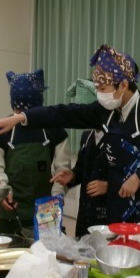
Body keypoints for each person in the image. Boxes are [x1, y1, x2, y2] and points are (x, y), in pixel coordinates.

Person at [0, 44, 140, 245]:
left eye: (103, 89)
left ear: (123, 85)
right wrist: (22, 117)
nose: (100, 95)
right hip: (121, 211)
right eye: (97, 89)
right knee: (121, 260)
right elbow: (65, 113)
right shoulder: (107, 112)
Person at [0, 69, 70, 236]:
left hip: (46, 207)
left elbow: (63, 169)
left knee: (45, 250)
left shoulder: (54, 130)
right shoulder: (1, 131)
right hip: (10, 208)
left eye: (29, 112)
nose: (22, 115)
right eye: (18, 111)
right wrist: (3, 191)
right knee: (9, 250)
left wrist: (57, 194)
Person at [51, 78, 108, 238]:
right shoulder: (87, 136)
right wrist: (72, 176)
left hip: (108, 214)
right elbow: (82, 169)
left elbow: (130, 177)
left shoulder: (118, 137)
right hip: (86, 212)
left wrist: (109, 186)